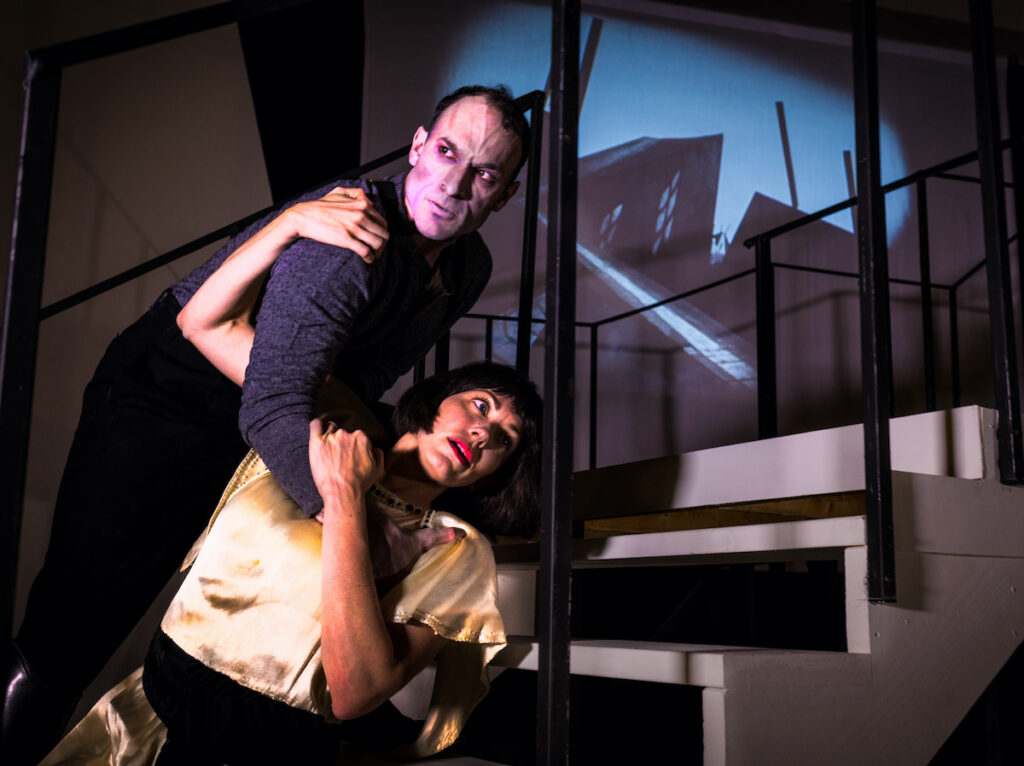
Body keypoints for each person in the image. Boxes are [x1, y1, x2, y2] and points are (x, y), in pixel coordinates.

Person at [3, 84, 530, 764]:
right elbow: (275, 400)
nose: (456, 185)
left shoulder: (467, 269)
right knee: (75, 624)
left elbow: (357, 381)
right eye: (449, 152)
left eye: (485, 173)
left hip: (255, 413)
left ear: (505, 195)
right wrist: (362, 524)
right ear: (419, 147)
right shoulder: (349, 242)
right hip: (168, 399)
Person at [39, 360, 542, 765]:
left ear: (487, 478)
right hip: (141, 709)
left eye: (505, 439)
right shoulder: (323, 437)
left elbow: (355, 695)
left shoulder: (457, 546)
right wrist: (296, 227)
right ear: (435, 397)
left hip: (260, 746)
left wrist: (346, 503)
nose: (483, 433)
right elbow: (205, 326)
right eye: (481, 405)